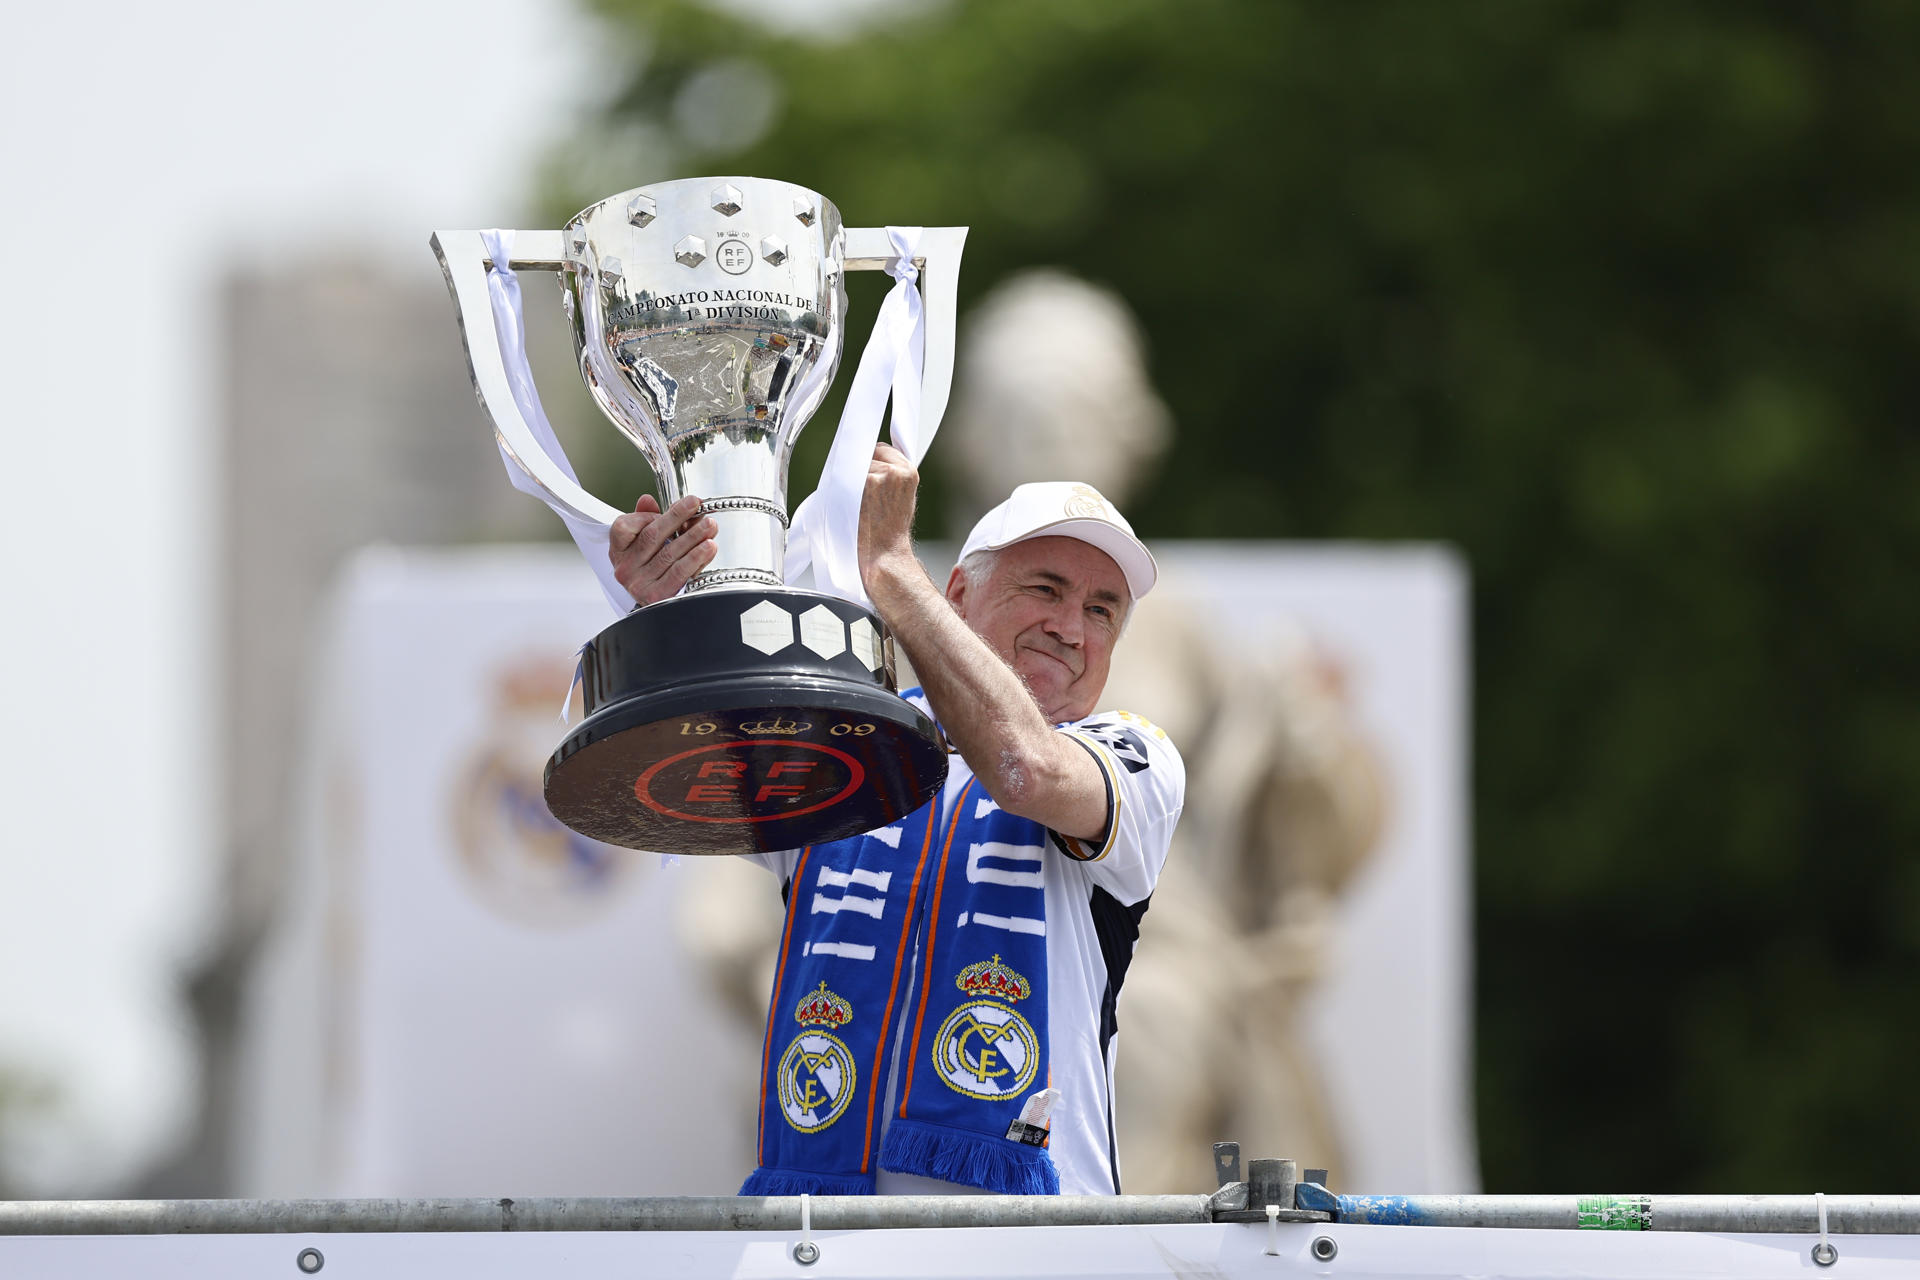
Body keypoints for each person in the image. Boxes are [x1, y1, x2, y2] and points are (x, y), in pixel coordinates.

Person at [609, 446, 1185, 1196]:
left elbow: (1024, 768)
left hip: (1038, 1241)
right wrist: (665, 606)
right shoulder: (855, 739)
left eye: (1101, 609)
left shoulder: (1134, 752)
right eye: (1045, 588)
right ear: (958, 595)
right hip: (820, 1238)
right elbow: (678, 764)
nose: (1072, 627)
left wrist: (887, 566)